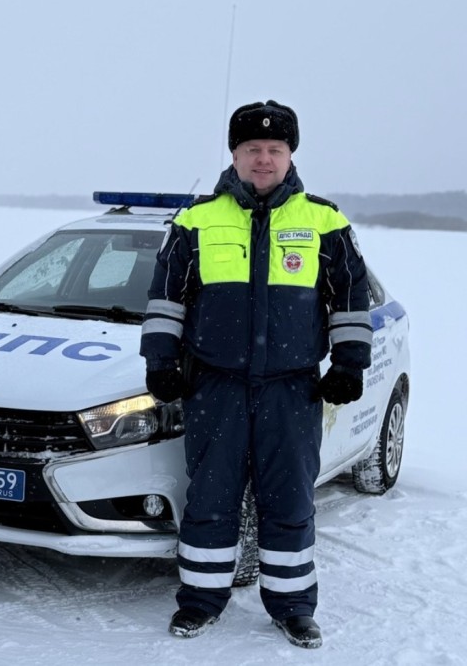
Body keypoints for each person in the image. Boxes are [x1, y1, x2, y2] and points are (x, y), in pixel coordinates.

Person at [140, 100, 371, 648]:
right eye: (252, 149)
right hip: (214, 385)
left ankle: (293, 608)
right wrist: (161, 362)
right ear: (234, 154)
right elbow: (166, 299)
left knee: (290, 502)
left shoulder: (325, 221)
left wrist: (348, 363)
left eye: (274, 149)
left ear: (290, 155)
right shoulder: (196, 220)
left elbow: (350, 299)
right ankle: (200, 601)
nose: (263, 159)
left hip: (291, 388)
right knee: (210, 499)